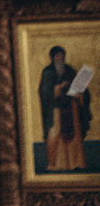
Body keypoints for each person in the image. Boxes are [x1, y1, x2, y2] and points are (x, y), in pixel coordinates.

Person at [40, 45, 89, 173]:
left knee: (75, 136)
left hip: (72, 109)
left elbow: (82, 89)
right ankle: (55, 164)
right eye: (57, 56)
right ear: (52, 57)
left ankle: (75, 163)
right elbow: (44, 93)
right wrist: (57, 88)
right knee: (54, 136)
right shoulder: (47, 72)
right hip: (55, 110)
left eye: (61, 56)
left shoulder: (70, 70)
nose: (59, 58)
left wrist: (79, 95)